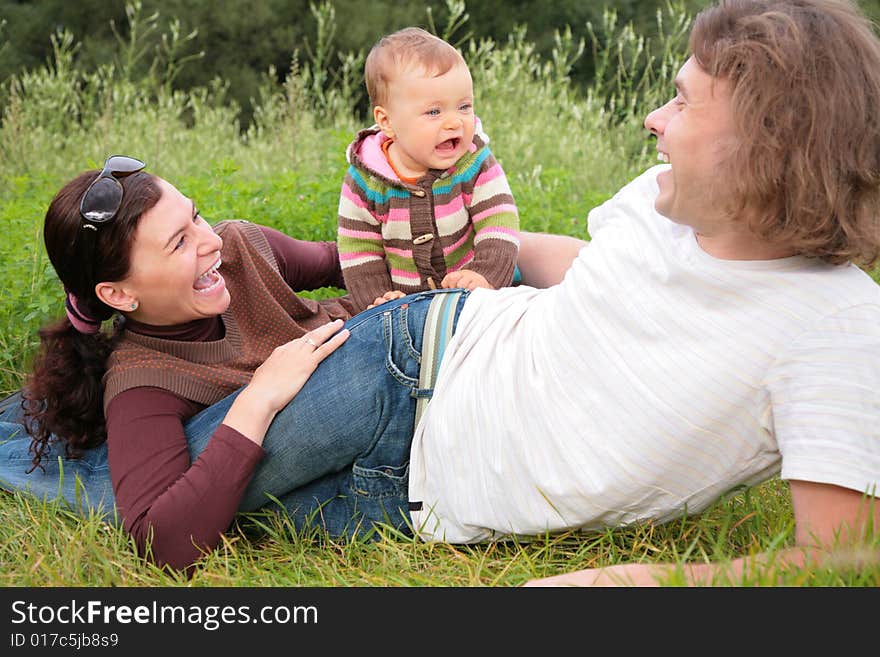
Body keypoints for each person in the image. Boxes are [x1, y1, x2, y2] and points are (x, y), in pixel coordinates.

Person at [1, 0, 878, 586]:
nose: (654, 120)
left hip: (414, 474)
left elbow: (842, 553)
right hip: (401, 364)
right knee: (117, 485)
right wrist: (471, 255)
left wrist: (644, 577)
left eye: (682, 104)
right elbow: (596, 273)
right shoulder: (661, 203)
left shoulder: (835, 329)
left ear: (766, 145)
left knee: (173, 493)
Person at [336, 27, 521, 312]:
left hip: (472, 293)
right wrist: (378, 299)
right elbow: (360, 250)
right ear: (387, 121)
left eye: (464, 106)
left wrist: (485, 276)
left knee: (519, 305)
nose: (454, 123)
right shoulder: (367, 180)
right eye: (434, 112)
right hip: (406, 306)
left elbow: (498, 219)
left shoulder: (473, 161)